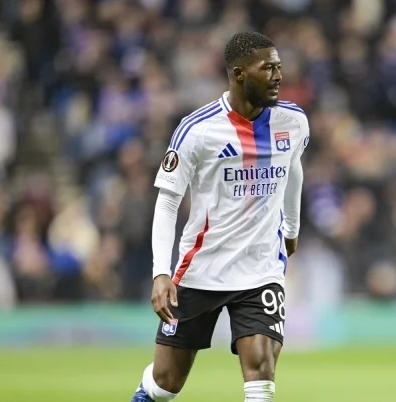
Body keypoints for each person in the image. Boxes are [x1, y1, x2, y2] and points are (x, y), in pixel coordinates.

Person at [131, 32, 308, 402]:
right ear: (239, 74)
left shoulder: (293, 122)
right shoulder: (197, 130)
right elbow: (167, 203)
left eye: (279, 67)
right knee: (166, 384)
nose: (278, 76)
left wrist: (291, 228)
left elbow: (294, 171)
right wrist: (161, 272)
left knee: (260, 371)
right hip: (202, 270)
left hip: (260, 269)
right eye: (268, 68)